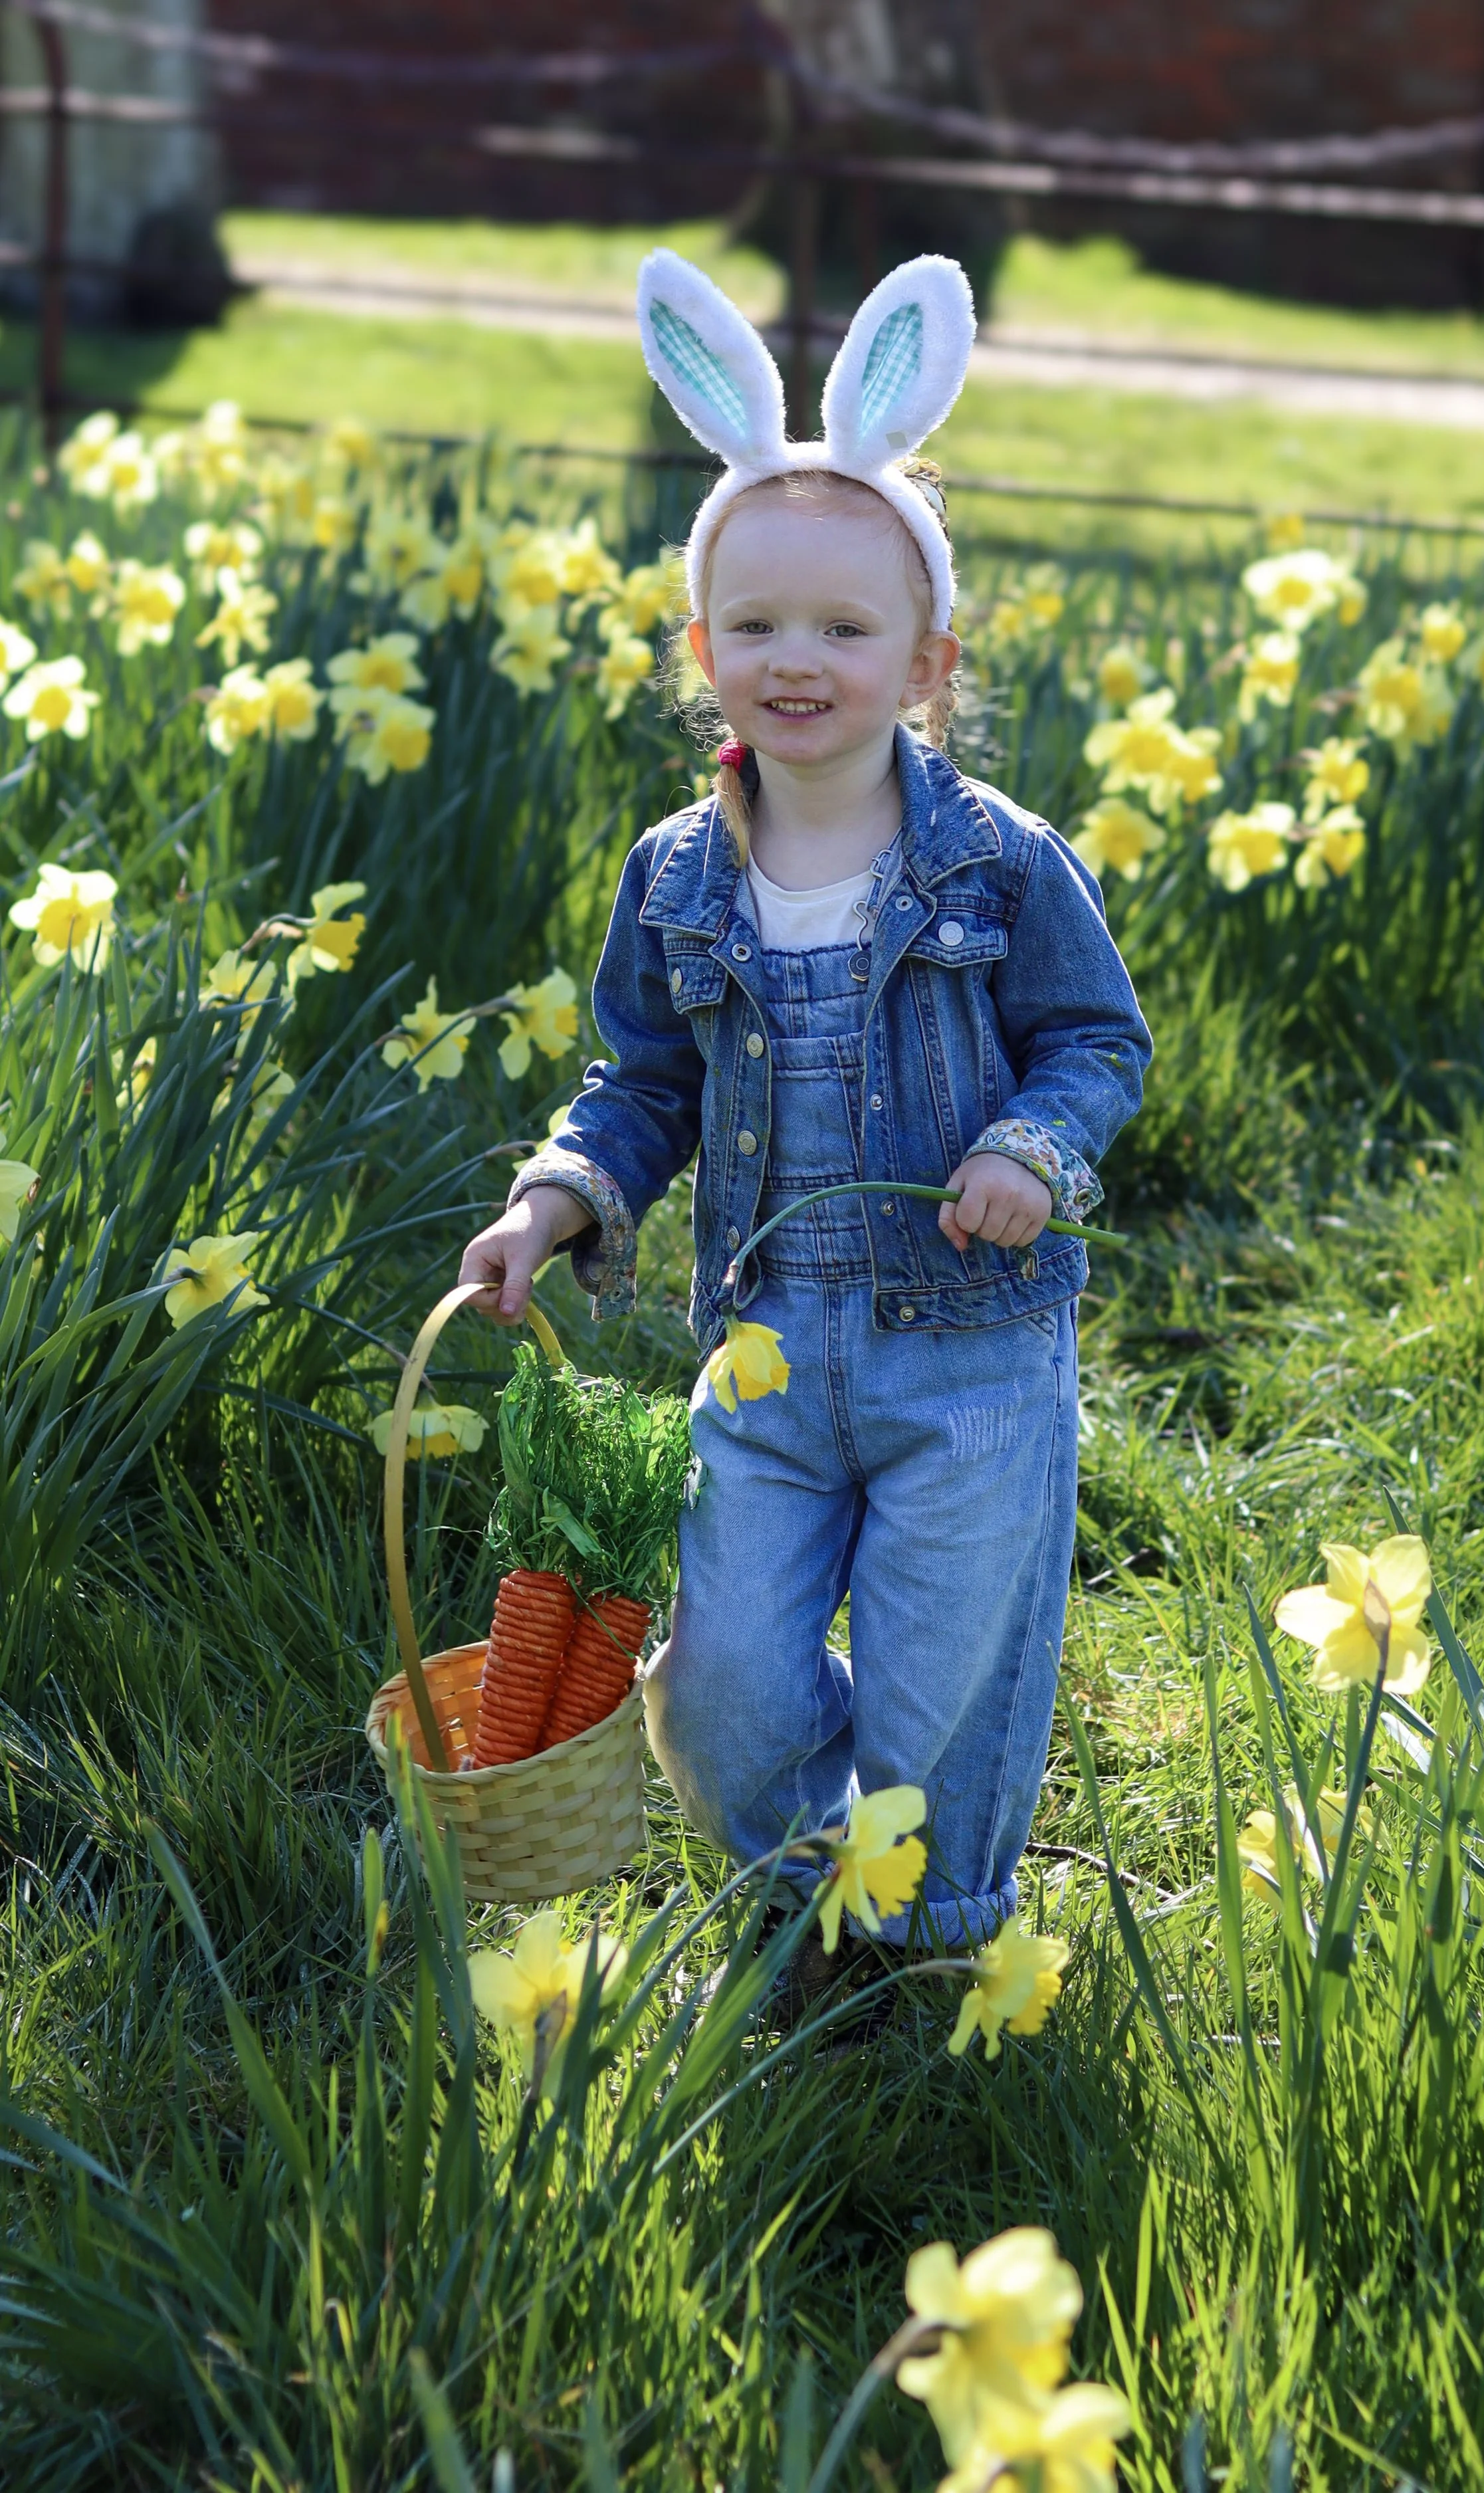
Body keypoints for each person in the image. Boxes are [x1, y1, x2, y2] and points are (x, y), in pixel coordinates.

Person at [459, 248, 1152, 1948]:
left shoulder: (997, 860)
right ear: (703, 649)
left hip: (970, 1346)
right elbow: (641, 1076)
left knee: (945, 1680)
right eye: (756, 623)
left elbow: (1097, 1045)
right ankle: (814, 1879)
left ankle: (918, 1946)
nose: (796, 659)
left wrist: (1028, 1148)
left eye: (844, 628)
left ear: (924, 656)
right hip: (763, 1352)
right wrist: (558, 1192)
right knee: (721, 1699)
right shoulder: (680, 874)